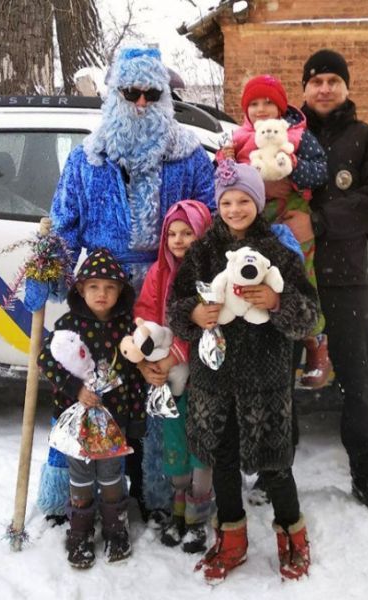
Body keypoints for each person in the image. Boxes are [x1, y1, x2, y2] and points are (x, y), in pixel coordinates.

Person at [39, 46, 216, 527]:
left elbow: (212, 220)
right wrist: (48, 272)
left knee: (161, 394)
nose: (140, 103)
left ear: (164, 96)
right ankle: (72, 493)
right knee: (92, 387)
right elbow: (64, 224)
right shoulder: (87, 160)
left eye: (151, 93)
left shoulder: (189, 156)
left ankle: (160, 493)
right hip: (103, 296)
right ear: (114, 94)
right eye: (130, 92)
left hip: (165, 292)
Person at [168, 162, 319, 583]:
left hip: (265, 385)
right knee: (224, 463)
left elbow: (308, 315)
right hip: (214, 385)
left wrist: (275, 301)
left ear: (257, 202)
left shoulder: (279, 253)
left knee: (276, 465)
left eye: (244, 201)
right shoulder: (201, 254)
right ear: (218, 206)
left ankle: (294, 536)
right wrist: (194, 313)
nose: (235, 209)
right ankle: (231, 539)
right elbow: (175, 306)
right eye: (227, 202)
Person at [282, 48, 368, 515]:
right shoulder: (286, 136)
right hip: (286, 280)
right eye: (316, 81)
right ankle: (276, 466)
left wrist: (319, 221)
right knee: (278, 378)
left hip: (345, 277)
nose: (325, 88)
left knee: (359, 375)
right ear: (305, 89)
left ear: (347, 87)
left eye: (334, 80)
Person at [218, 74, 330, 390]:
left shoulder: (297, 134)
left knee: (302, 278)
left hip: (293, 212)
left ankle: (315, 342)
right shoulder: (237, 137)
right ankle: (260, 335)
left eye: (269, 102)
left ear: (281, 108)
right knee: (258, 277)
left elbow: (320, 172)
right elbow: (223, 179)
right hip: (254, 217)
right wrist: (225, 162)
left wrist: (292, 165)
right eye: (254, 103)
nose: (262, 109)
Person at [38, 248, 146, 568]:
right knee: (81, 474)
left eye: (110, 287)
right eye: (94, 286)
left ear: (120, 292)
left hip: (115, 420)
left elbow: (135, 378)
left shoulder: (127, 328)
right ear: (81, 290)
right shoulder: (68, 324)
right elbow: (47, 360)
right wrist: (75, 389)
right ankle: (80, 531)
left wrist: (137, 420)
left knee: (112, 474)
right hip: (78, 421)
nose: (102, 294)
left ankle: (116, 528)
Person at [134, 199, 214, 554]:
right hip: (167, 375)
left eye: (188, 233)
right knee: (175, 441)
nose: (179, 240)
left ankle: (198, 517)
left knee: (201, 445)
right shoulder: (158, 273)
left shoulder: (209, 275)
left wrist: (178, 354)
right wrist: (147, 355)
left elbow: (210, 323)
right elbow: (146, 313)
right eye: (173, 234)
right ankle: (178, 510)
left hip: (203, 373)